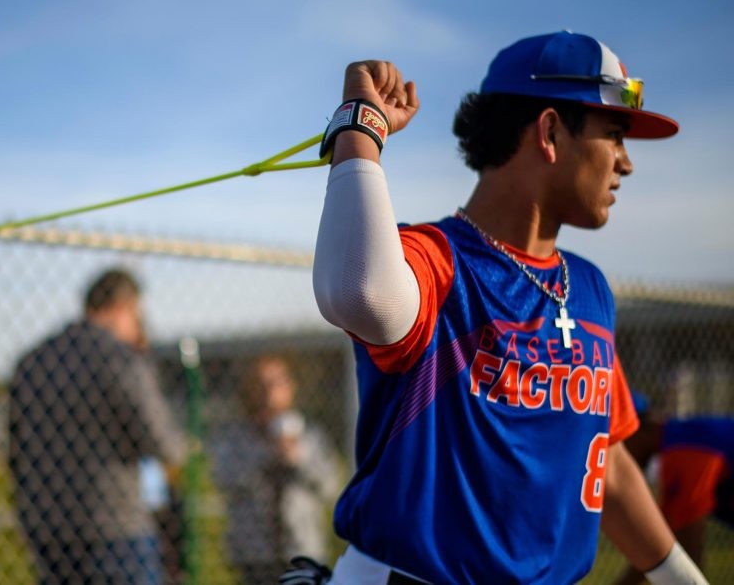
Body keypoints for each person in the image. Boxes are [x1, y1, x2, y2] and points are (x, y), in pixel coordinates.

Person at [308, 32, 708, 583]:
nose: (626, 163)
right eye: (614, 136)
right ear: (549, 132)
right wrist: (360, 127)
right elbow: (361, 290)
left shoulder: (588, 288)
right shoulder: (443, 262)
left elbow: (605, 457)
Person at [8, 268, 186, 584]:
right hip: (115, 524)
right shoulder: (121, 361)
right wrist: (184, 444)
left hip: (49, 525)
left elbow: (15, 447)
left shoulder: (33, 362)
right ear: (124, 308)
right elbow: (162, 442)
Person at [211, 354, 342, 582]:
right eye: (261, 384)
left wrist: (297, 459)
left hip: (302, 549)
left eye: (277, 382)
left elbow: (330, 485)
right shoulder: (238, 438)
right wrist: (266, 456)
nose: (269, 392)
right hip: (255, 552)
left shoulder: (309, 435)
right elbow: (223, 477)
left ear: (290, 387)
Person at [617, 397, 734, 583]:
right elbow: (661, 548)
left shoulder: (684, 449)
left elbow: (687, 549)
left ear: (636, 427)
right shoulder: (682, 438)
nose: (614, 451)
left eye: (616, 440)